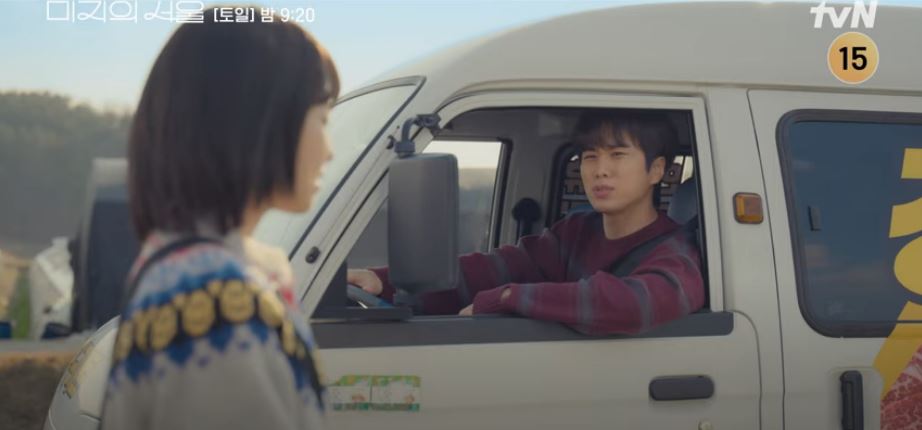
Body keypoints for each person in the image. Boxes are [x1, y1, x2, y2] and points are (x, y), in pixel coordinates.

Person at [100, 11, 338, 430]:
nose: (330, 150)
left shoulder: (181, 267)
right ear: (259, 118)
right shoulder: (220, 305)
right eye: (322, 118)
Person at [348, 111, 704, 335]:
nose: (600, 170)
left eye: (618, 155)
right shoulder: (576, 231)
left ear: (657, 170)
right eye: (590, 156)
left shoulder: (677, 254)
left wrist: (509, 297)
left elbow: (632, 305)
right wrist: (386, 281)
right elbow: (495, 269)